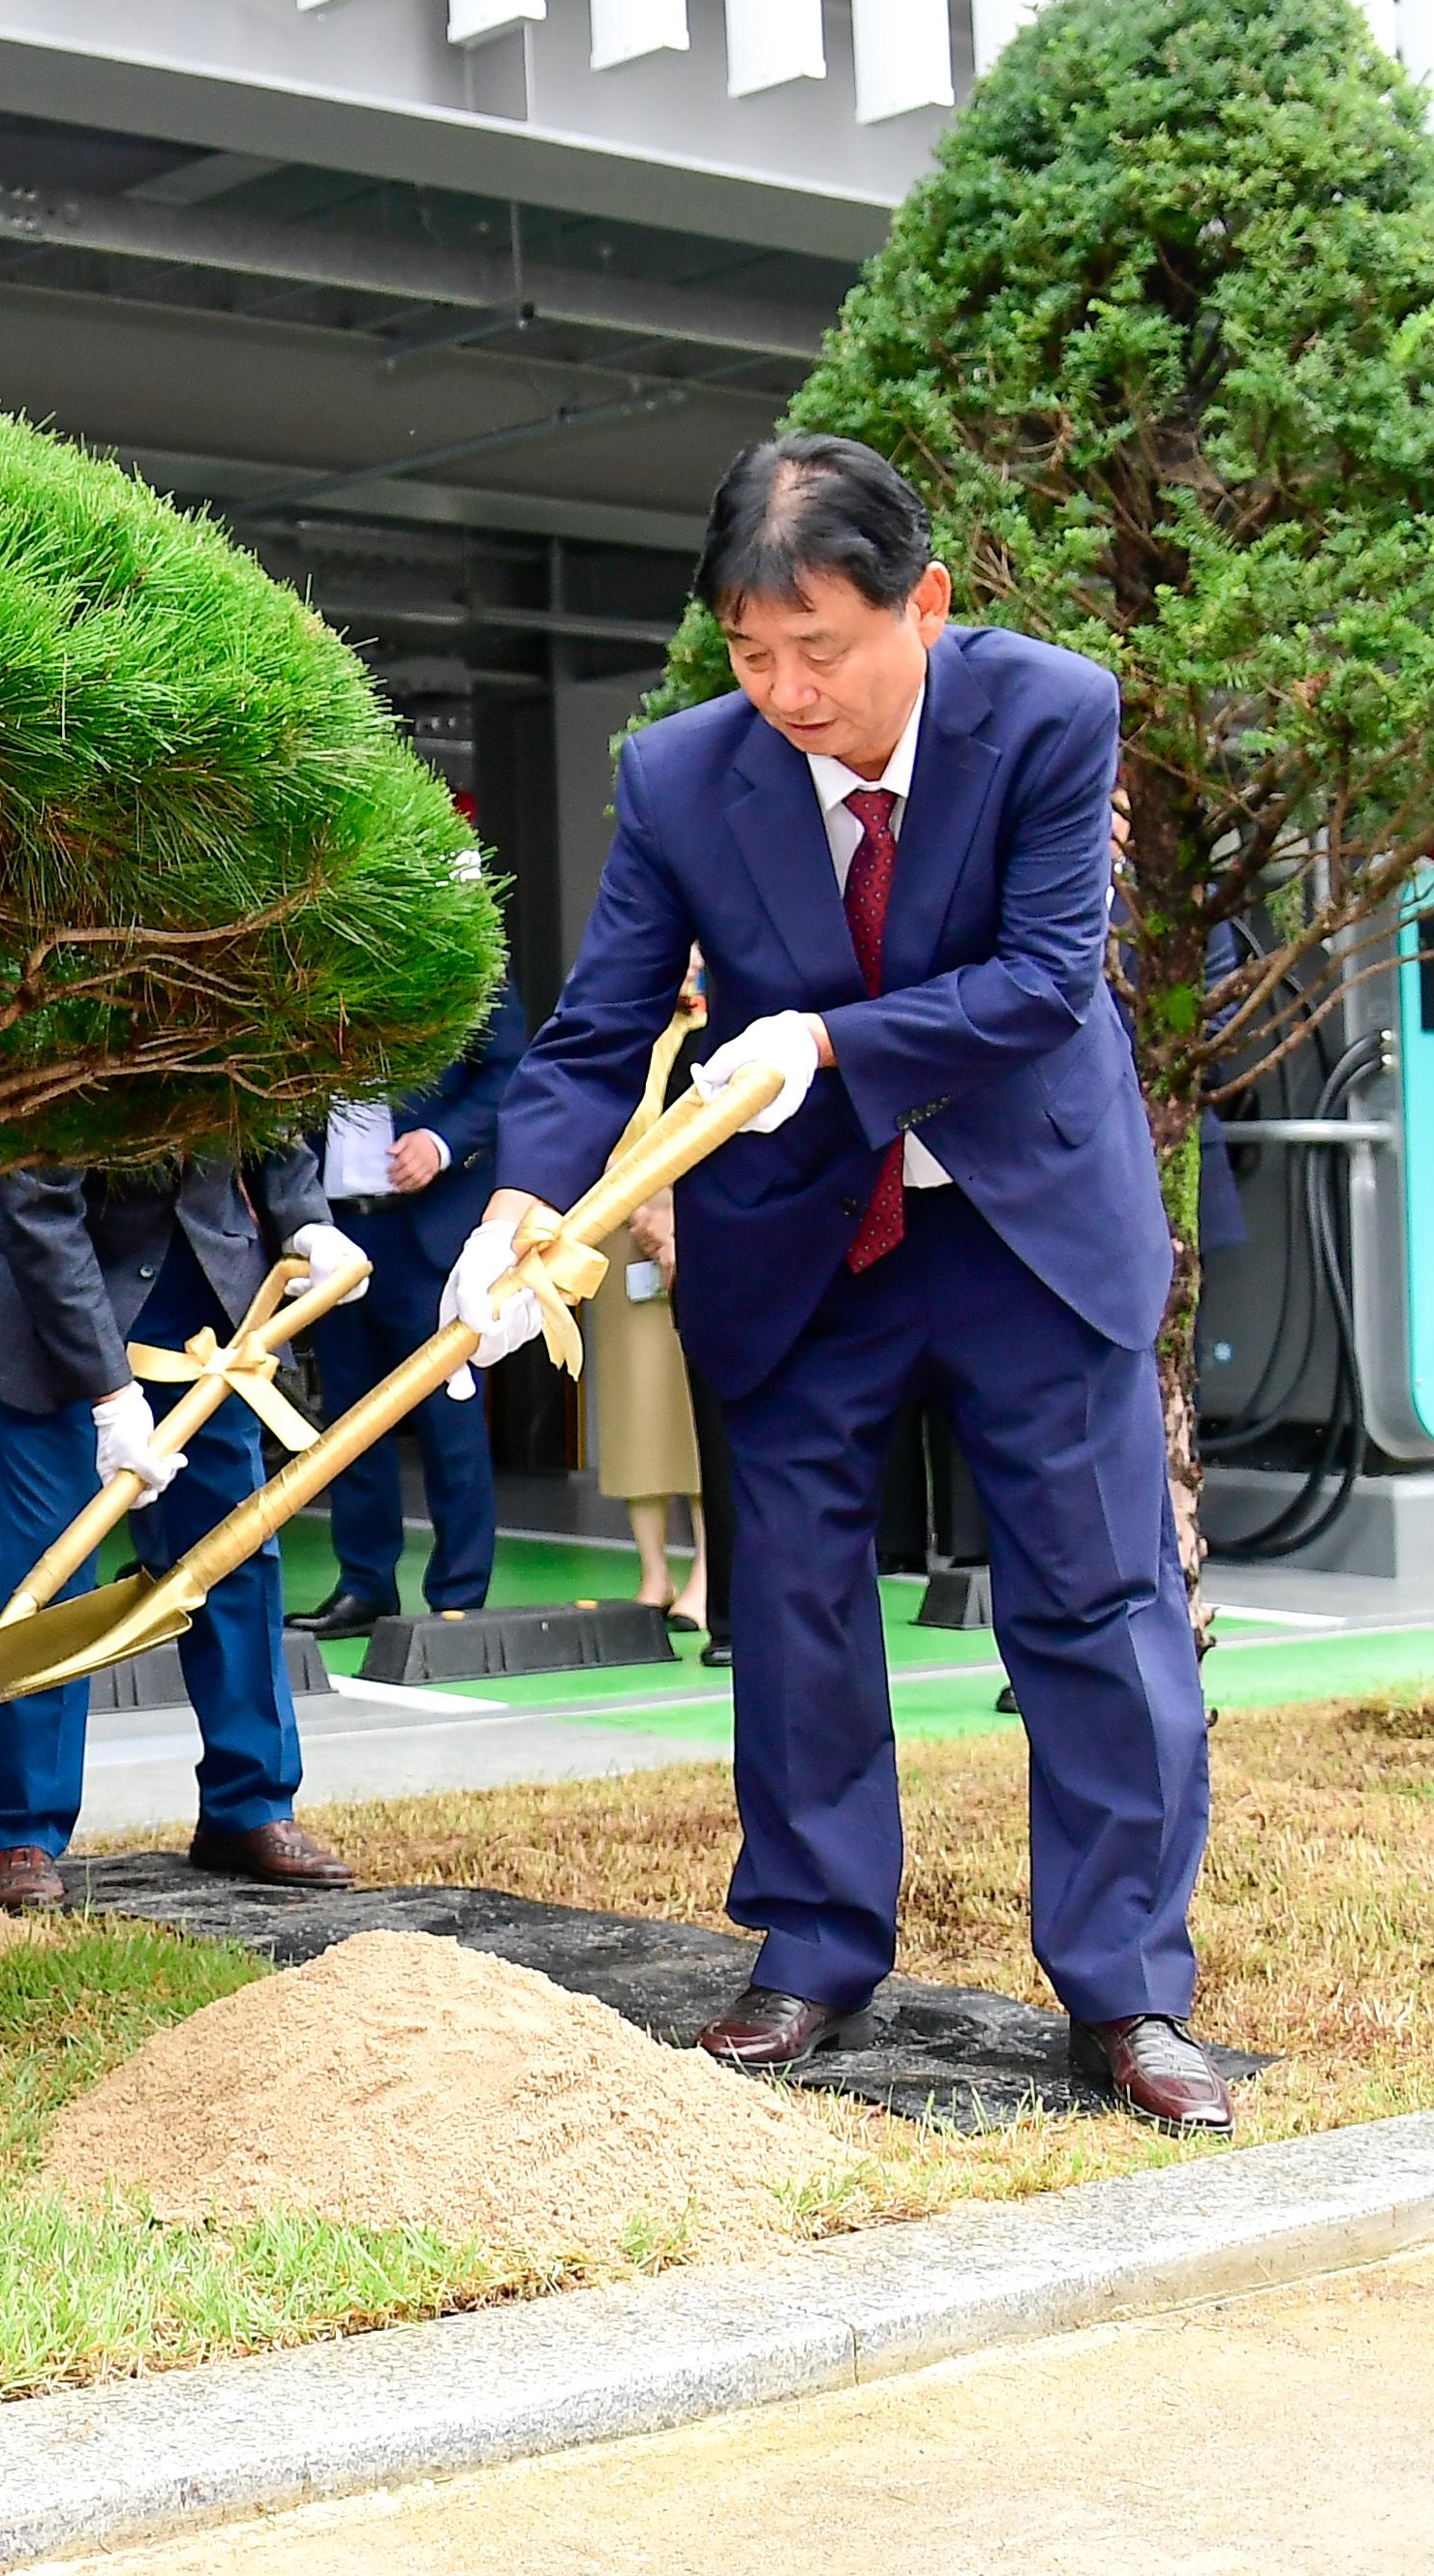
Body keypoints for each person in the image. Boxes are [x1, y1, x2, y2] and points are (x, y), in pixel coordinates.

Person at [472, 435, 1225, 2135]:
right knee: (796, 1605)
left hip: (1023, 1225)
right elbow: (597, 1029)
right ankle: (811, 1946)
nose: (789, 690)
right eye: (753, 654)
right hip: (801, 1239)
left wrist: (825, 1038)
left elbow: (1040, 981)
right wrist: (522, 1199)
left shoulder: (1045, 713)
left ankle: (1127, 1987)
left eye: (822, 647)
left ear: (924, 607)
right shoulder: (677, 777)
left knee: (1095, 1601)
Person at [0, 1150, 365, 1910]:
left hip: (201, 1306)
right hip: (42, 1299)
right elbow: (38, 1205)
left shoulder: (237, 1026)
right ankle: (21, 1828)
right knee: (51, 1562)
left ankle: (249, 1804)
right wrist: (111, 1393)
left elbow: (273, 1103)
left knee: (232, 1553)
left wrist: (307, 1220)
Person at [300, 985, 525, 1639]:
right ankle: (364, 1585)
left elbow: (511, 1068)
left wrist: (442, 1140)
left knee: (447, 1417)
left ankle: (459, 1597)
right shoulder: (316, 954)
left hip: (428, 1227)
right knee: (349, 1422)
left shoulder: (454, 952)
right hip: (336, 1228)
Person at [588, 999, 711, 1630]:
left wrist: (667, 1212)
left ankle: (708, 1574)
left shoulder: (720, 1026)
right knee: (635, 1407)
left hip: (699, 1228)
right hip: (617, 1232)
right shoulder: (623, 1026)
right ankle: (653, 1571)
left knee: (695, 1412)